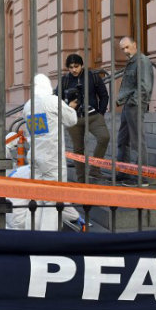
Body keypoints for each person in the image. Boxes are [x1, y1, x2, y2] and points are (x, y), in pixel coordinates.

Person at [22, 73, 78, 230]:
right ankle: (47, 240)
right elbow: (72, 120)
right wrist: (70, 107)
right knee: (53, 201)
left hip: (34, 156)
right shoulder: (53, 101)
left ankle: (30, 234)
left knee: (36, 199)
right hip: (52, 158)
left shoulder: (28, 105)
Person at [55, 53, 111, 184]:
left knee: (104, 137)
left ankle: (95, 169)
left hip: (93, 116)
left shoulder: (93, 76)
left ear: (82, 65)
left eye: (76, 66)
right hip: (73, 119)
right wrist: (67, 106)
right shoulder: (65, 80)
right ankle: (81, 181)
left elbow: (104, 95)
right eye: (70, 67)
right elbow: (56, 99)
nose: (74, 70)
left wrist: (101, 113)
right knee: (78, 149)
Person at [116, 36, 154, 178]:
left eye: (127, 47)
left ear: (135, 44)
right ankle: (123, 171)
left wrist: (133, 101)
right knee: (122, 139)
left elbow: (144, 86)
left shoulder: (142, 61)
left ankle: (141, 176)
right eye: (122, 49)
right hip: (128, 104)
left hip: (135, 104)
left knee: (137, 141)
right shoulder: (132, 62)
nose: (125, 51)